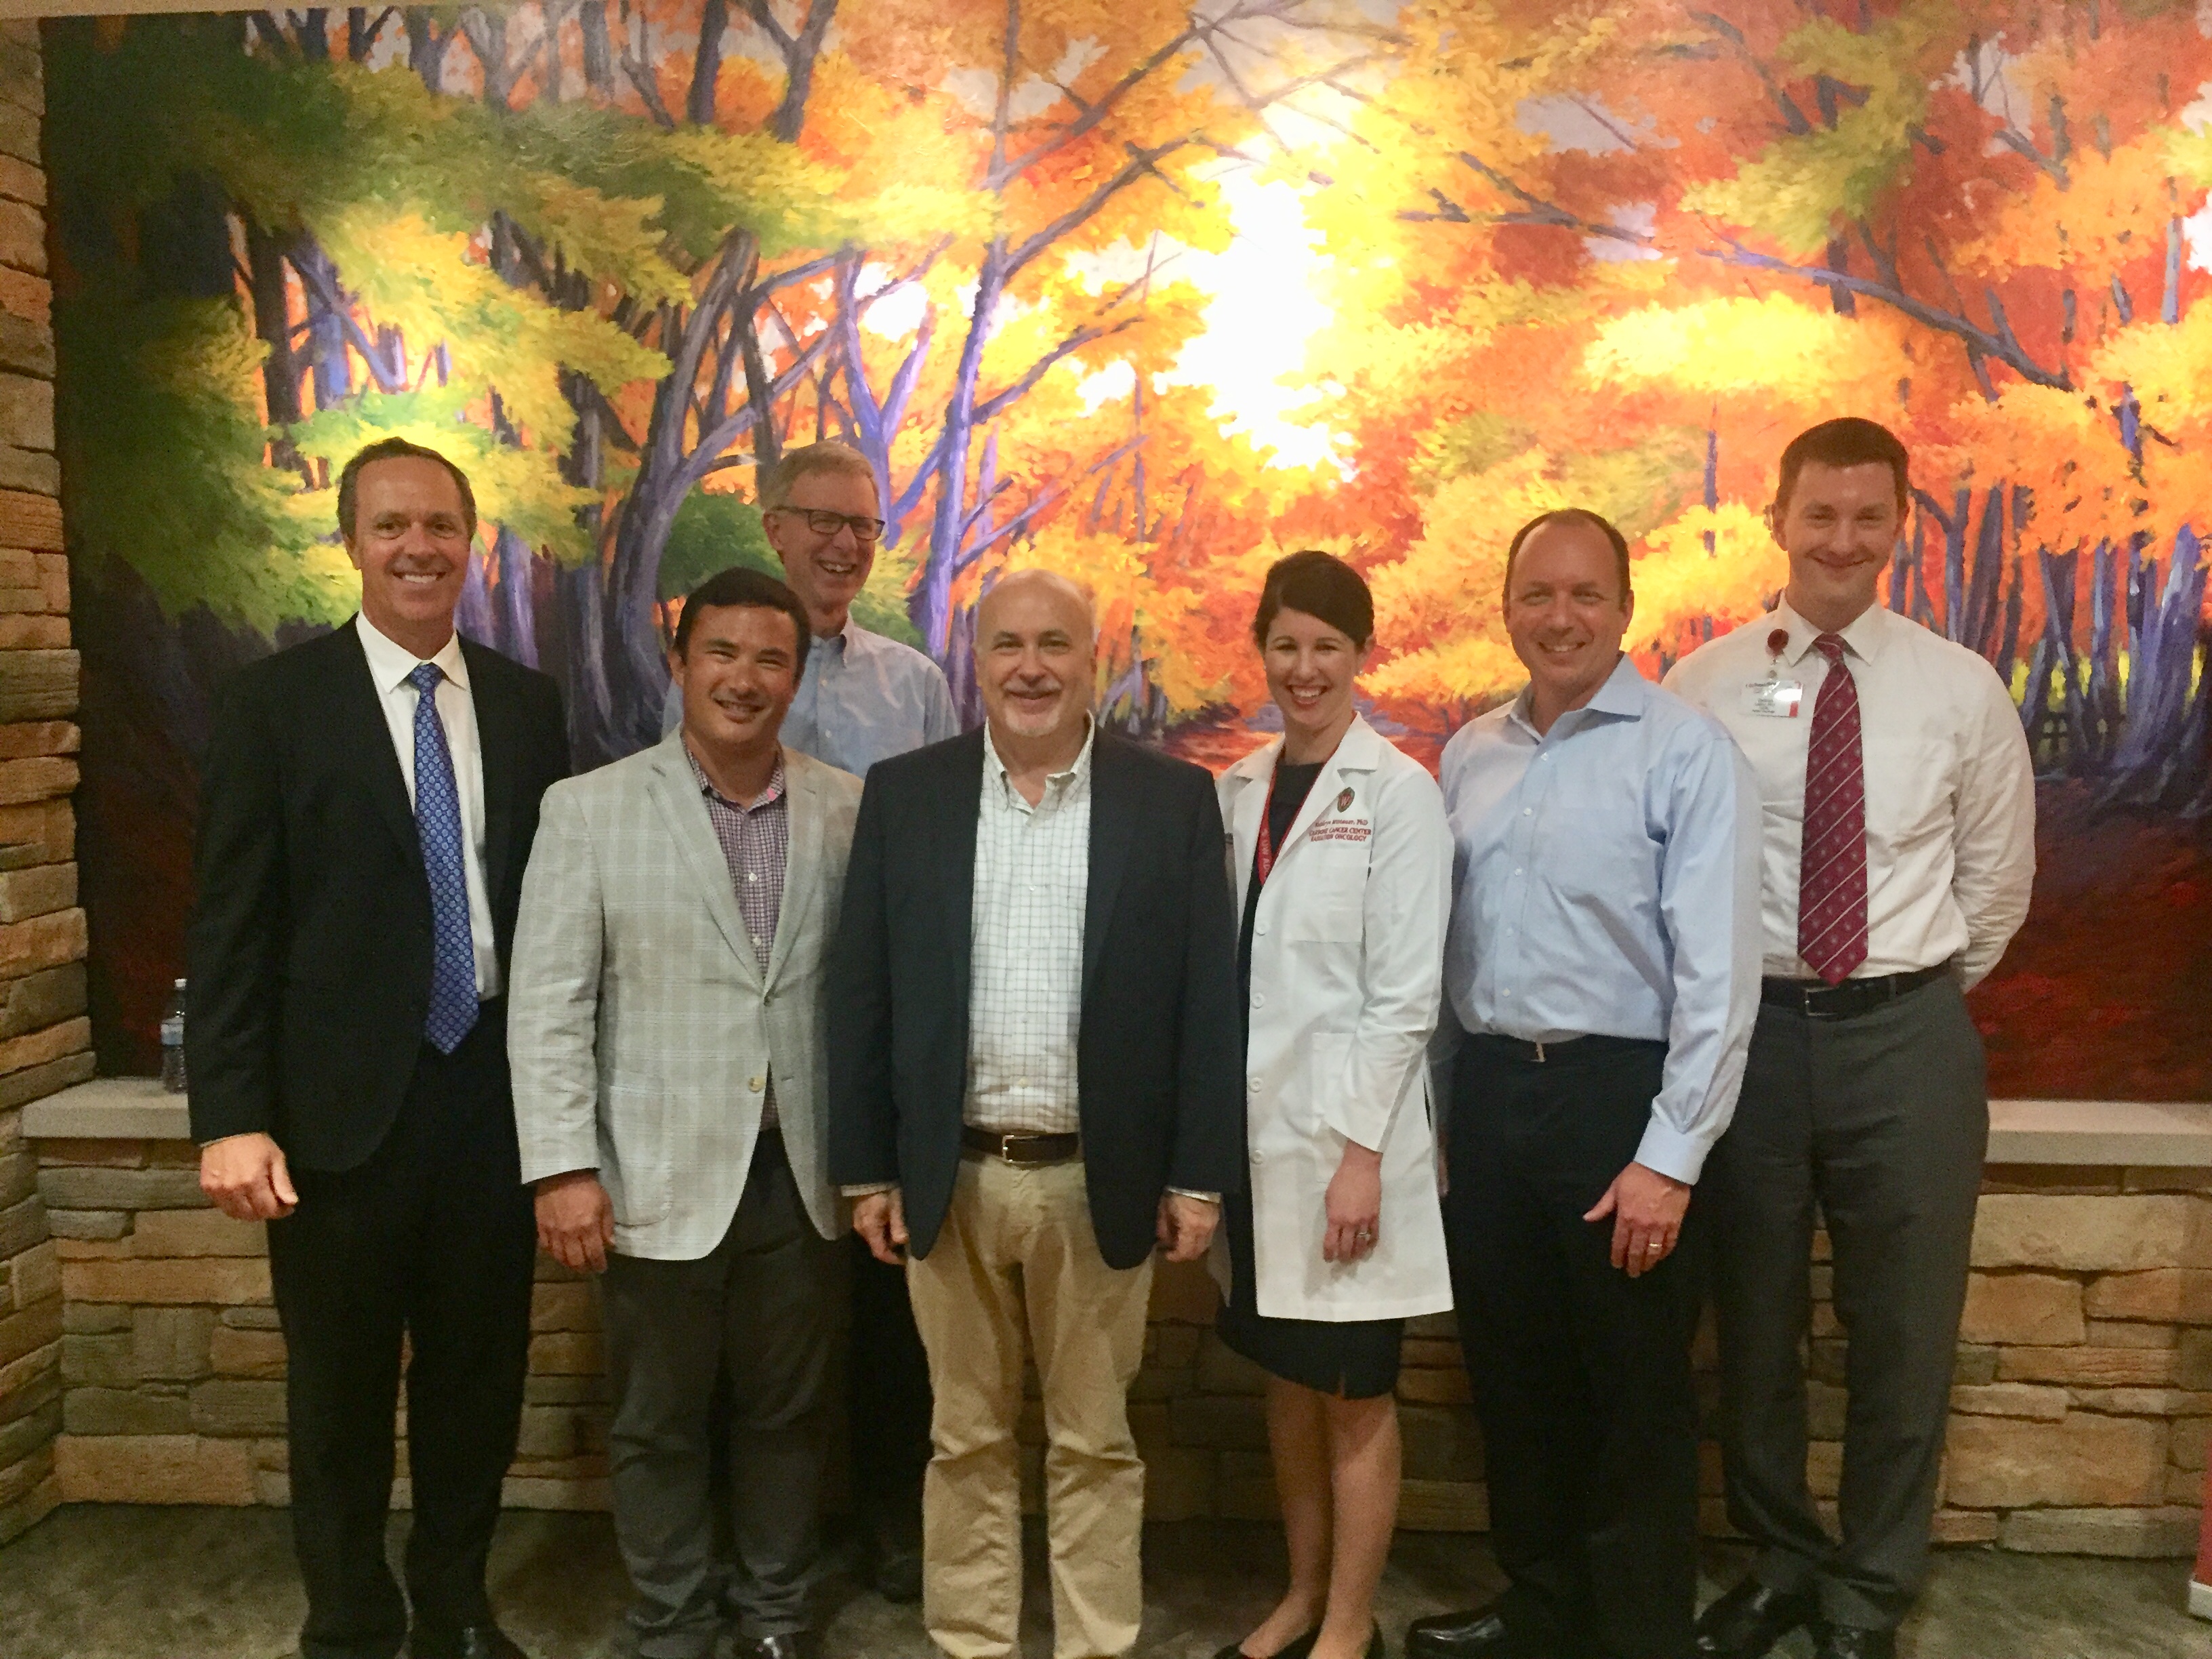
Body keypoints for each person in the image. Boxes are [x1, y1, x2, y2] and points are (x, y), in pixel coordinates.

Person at [188, 438, 571, 1659]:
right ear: (352, 542)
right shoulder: (271, 705)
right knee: (339, 1396)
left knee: (477, 1382)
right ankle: (349, 1619)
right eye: (393, 525)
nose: (420, 548)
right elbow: (232, 923)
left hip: (488, 1104)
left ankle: (455, 1603)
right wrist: (229, 1114)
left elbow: (551, 916)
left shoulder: (526, 704)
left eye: (442, 526)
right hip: (337, 1119)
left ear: (473, 544)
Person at [1664, 419, 2036, 1659]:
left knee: (1904, 1330)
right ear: (1778, 519)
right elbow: (1670, 870)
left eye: (1866, 518)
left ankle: (1871, 1589)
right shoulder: (1708, 683)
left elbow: (1995, 886)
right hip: (1754, 1043)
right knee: (1755, 1324)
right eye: (1818, 515)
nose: (1841, 541)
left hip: (1908, 1039)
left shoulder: (1959, 686)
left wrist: (1901, 996)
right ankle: (1781, 1561)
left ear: (1898, 526)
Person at [827, 568, 1243, 1659]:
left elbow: (1210, 1003)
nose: (1031, 667)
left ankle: (1095, 1643)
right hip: (945, 1177)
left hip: (1096, 1177)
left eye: (1055, 643)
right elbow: (860, 991)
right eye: (1007, 644)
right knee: (961, 1437)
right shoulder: (908, 794)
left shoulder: (1169, 803)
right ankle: (972, 1640)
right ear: (977, 659)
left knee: (1095, 1442)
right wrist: (866, 1167)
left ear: (1093, 658)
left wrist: (1197, 1175)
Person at [1406, 510, 1761, 1659]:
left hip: (1622, 1102)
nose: (1561, 617)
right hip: (1495, 1096)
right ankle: (1543, 1608)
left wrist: (1670, 1159)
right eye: (1538, 594)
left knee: (1635, 1397)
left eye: (1586, 595)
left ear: (1626, 606)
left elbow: (1718, 975)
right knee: (1515, 1378)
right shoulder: (1470, 754)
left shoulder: (1685, 752)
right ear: (1506, 606)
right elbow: (1446, 948)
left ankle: (1637, 1632)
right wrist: (1439, 1115)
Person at [508, 567, 863, 1659]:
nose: (744, 679)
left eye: (770, 659)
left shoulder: (850, 808)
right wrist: (564, 1168)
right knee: (657, 1422)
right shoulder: (591, 810)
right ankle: (670, 1616)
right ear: (680, 661)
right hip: (651, 1174)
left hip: (800, 1174)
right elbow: (550, 1003)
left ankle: (771, 1612)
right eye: (722, 653)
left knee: (789, 1416)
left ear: (797, 678)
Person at [663, 439, 958, 1600]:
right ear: (773, 527)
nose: (843, 544)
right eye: (821, 520)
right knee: (746, 1303)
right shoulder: (718, 662)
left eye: (865, 528)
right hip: (734, 1040)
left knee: (890, 1303)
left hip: (874, 1033)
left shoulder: (916, 685)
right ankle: (744, 1541)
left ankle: (888, 1520)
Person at [1211, 552, 1453, 1659]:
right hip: (1260, 1151)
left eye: (1328, 647)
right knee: (1288, 1381)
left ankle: (1349, 1626)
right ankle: (1301, 1595)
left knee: (1353, 1391)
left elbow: (1405, 999)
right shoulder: (1239, 787)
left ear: (1363, 656)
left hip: (1349, 1151)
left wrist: (1362, 1157)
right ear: (1262, 649)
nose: (1304, 669)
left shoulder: (1399, 794)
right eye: (1286, 644)